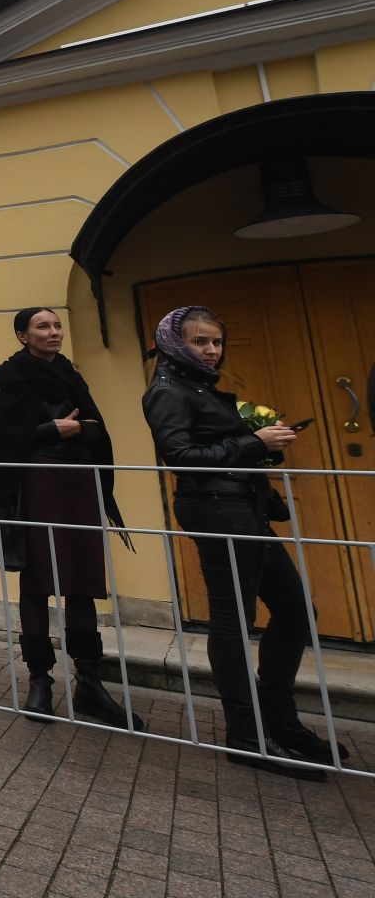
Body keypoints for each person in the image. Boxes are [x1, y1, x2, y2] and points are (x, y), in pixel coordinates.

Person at [144, 305, 324, 779]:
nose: (210, 349)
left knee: (296, 611)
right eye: (200, 341)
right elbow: (181, 457)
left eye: (216, 341)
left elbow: (218, 445)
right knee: (233, 619)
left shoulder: (200, 386)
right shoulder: (166, 391)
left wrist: (263, 444)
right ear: (175, 343)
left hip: (245, 506)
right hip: (215, 507)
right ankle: (246, 735)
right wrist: (253, 443)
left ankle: (280, 721)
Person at [0, 307, 142, 730]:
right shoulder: (9, 377)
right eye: (43, 326)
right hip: (36, 486)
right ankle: (40, 681)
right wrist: (51, 430)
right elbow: (1, 438)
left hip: (78, 486)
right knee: (37, 582)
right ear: (22, 335)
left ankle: (89, 683)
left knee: (82, 582)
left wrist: (80, 431)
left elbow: (97, 428)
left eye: (57, 326)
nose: (54, 332)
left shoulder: (71, 375)